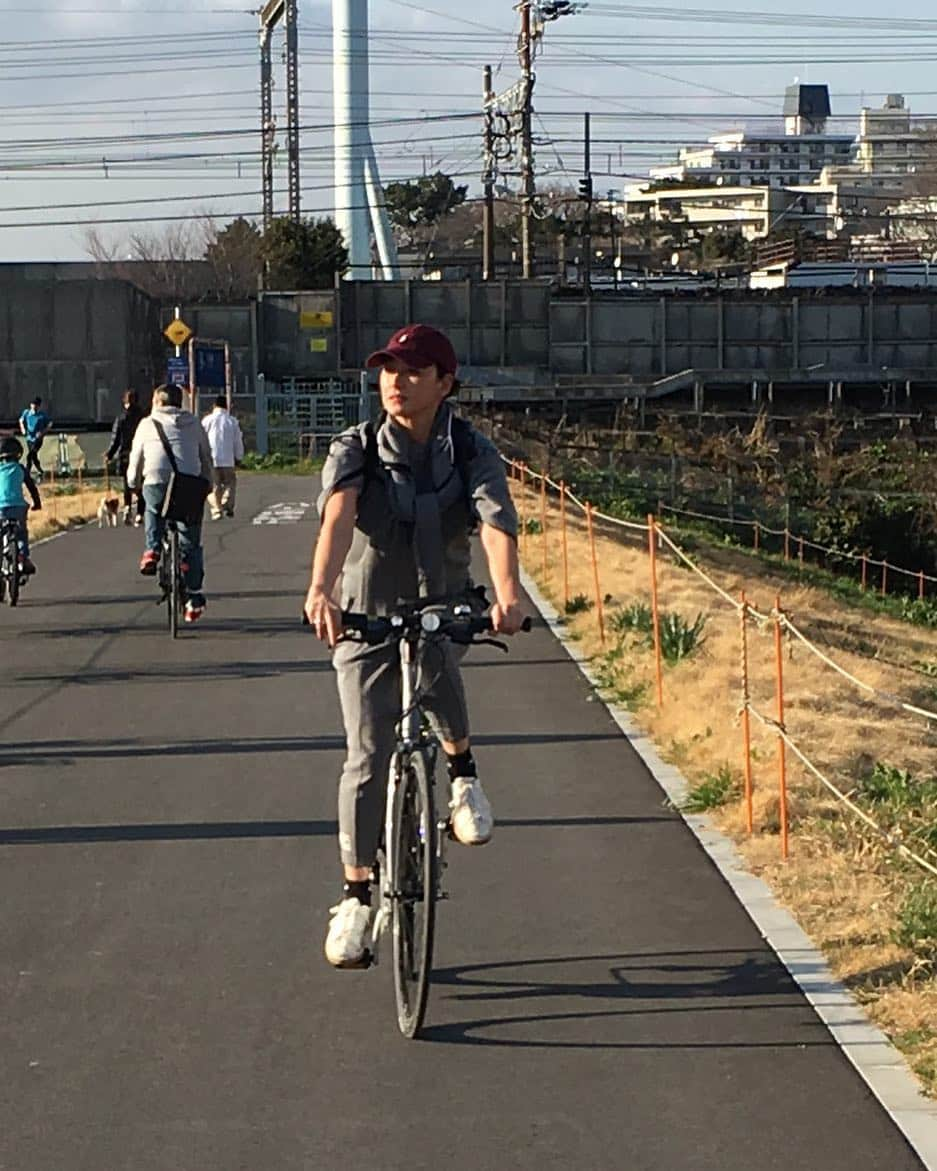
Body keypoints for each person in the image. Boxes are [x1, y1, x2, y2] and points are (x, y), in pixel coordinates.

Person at [304, 323, 525, 969]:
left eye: (411, 371)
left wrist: (506, 596)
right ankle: (355, 896)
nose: (395, 383)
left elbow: (495, 520)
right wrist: (321, 590)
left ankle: (462, 775)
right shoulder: (357, 446)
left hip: (444, 598)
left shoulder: (469, 449)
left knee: (437, 657)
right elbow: (338, 517)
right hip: (363, 610)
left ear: (444, 383)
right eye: (386, 371)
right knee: (368, 753)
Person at [127, 383, 213, 624]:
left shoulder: (146, 424)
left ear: (157, 402)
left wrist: (134, 484)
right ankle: (194, 598)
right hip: (189, 484)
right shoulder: (194, 423)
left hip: (156, 482)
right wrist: (208, 483)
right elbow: (205, 455)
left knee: (153, 507)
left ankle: (152, 549)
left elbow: (135, 461)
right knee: (191, 542)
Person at [0, 436, 41, 575]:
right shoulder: (21, 468)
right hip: (18, 507)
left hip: (0, 508)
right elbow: (31, 487)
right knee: (21, 533)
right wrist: (37, 503)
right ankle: (23, 557)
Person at [105, 389, 146, 525]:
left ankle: (127, 508)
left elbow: (115, 438)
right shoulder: (143, 417)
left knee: (127, 484)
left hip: (125, 454)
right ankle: (140, 513)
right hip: (142, 453)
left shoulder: (121, 418)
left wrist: (109, 454)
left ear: (124, 401)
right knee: (142, 484)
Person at [201, 395, 244, 520]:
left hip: (211, 459)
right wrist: (238, 457)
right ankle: (227, 504)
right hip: (228, 459)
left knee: (214, 485)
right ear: (227, 406)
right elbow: (237, 441)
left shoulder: (207, 421)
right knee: (230, 483)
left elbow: (202, 439)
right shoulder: (232, 421)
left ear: (214, 406)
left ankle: (216, 509)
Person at [18, 397, 52, 478]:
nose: (34, 407)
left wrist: (43, 432)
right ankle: (40, 470)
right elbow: (21, 420)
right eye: (33, 405)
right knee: (33, 455)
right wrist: (23, 428)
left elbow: (50, 424)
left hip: (38, 439)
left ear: (39, 406)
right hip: (29, 438)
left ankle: (27, 471)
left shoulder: (42, 415)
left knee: (30, 455)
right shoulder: (26, 412)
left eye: (36, 405)